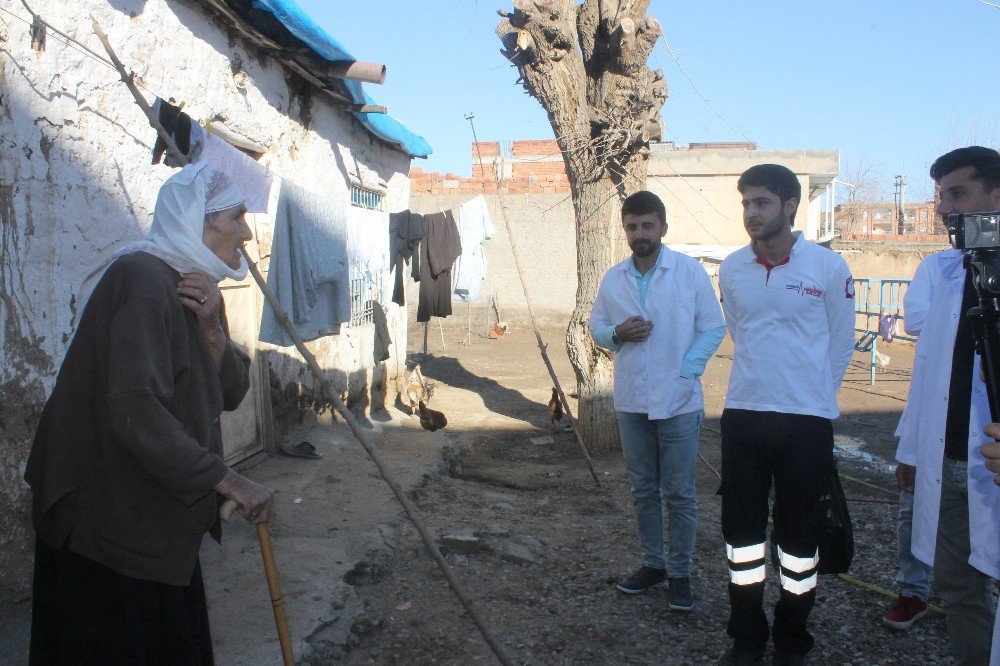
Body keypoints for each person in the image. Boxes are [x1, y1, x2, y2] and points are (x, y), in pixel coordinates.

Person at [25, 162, 276, 665]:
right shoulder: (142, 279)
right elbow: (136, 412)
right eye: (236, 216)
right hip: (109, 518)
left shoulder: (196, 286)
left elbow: (229, 393)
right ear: (198, 224)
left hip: (152, 514)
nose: (246, 232)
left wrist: (212, 335)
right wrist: (229, 480)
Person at [716, 164, 855, 665]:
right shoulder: (732, 268)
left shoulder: (827, 267)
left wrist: (812, 398)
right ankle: (746, 637)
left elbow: (841, 345)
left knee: (800, 538)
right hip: (744, 417)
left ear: (790, 205)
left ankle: (793, 638)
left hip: (805, 423)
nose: (752, 213)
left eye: (762, 203)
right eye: (747, 204)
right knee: (742, 536)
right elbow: (739, 328)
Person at [590, 190, 726, 612]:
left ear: (663, 228)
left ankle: (680, 572)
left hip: (679, 400)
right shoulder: (614, 278)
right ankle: (654, 564)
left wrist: (689, 369)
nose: (639, 233)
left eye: (647, 225)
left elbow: (712, 327)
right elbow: (596, 324)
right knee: (643, 489)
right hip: (631, 399)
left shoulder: (688, 273)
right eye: (632, 226)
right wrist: (616, 334)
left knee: (681, 492)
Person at [894, 146, 1000, 665]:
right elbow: (930, 376)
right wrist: (912, 450)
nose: (942, 209)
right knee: (961, 591)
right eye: (941, 197)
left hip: (994, 467)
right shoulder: (948, 274)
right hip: (954, 463)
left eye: (957, 193)